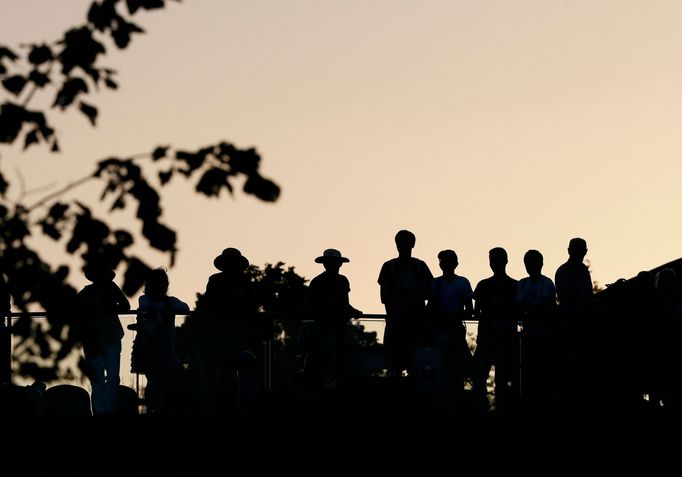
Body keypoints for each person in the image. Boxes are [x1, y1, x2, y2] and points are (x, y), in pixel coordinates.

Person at [196, 247, 254, 415]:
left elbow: (207, 304)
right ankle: (225, 409)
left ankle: (214, 409)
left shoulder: (219, 280)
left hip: (221, 332)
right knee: (222, 373)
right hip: (225, 332)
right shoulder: (240, 282)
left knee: (218, 373)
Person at [131, 268, 189, 414]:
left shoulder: (170, 302)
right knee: (156, 381)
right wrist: (164, 308)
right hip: (148, 348)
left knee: (160, 383)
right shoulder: (145, 300)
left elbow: (185, 308)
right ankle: (152, 409)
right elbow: (146, 306)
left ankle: (156, 409)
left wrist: (162, 308)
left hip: (164, 349)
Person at [76, 263, 130, 415]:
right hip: (104, 338)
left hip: (100, 338)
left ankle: (102, 411)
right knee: (108, 378)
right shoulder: (105, 289)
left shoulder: (92, 291)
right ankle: (105, 411)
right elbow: (125, 306)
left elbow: (125, 305)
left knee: (103, 379)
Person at [377, 230, 433, 376]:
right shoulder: (389, 266)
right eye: (400, 242)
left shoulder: (420, 266)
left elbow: (430, 292)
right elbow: (384, 296)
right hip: (397, 322)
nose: (402, 245)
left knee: (416, 365)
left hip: (416, 323)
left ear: (413, 244)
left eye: (406, 242)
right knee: (394, 365)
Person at [471, 247, 518, 415]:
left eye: (496, 259)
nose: (494, 263)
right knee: (482, 377)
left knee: (501, 380)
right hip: (488, 339)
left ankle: (498, 412)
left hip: (502, 340)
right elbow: (476, 311)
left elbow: (476, 311)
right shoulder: (488, 285)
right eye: (492, 259)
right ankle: (486, 412)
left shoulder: (513, 285)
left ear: (505, 261)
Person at [304, 248, 362, 382]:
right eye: (329, 262)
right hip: (325, 328)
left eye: (333, 262)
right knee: (334, 356)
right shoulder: (320, 282)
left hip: (337, 327)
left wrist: (352, 311)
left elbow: (344, 303)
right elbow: (310, 306)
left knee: (351, 353)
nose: (331, 265)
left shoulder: (333, 281)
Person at [426, 249, 473, 408]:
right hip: (444, 332)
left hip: (451, 332)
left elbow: (469, 309)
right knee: (447, 370)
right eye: (442, 261)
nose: (443, 264)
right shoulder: (437, 284)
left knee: (452, 371)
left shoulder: (455, 283)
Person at [516, 249, 557, 415]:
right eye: (527, 263)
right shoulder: (523, 283)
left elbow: (545, 305)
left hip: (544, 335)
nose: (529, 266)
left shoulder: (547, 283)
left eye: (532, 263)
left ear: (540, 264)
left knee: (543, 373)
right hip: (530, 335)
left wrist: (529, 308)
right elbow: (521, 306)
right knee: (528, 374)